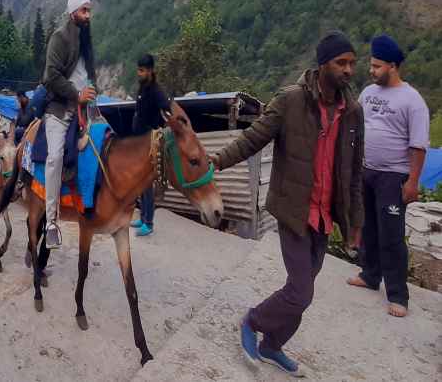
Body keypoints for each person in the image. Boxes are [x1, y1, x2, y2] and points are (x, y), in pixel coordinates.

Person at [209, 31, 364, 377]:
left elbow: (354, 173)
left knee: (302, 292)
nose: (349, 70)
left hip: (325, 217)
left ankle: (272, 345)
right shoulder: (290, 101)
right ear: (323, 64)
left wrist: (355, 224)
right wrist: (216, 161)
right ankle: (252, 320)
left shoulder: (352, 112)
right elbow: (253, 138)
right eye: (342, 63)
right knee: (301, 292)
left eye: (353, 63)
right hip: (294, 211)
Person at [346, 35, 429, 318]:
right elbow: (355, 127)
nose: (372, 70)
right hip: (367, 171)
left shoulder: (412, 100)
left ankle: (397, 295)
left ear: (393, 66)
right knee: (368, 226)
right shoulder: (368, 94)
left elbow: (418, 146)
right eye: (371, 65)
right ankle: (370, 275)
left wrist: (413, 182)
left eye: (377, 66)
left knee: (391, 235)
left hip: (393, 177)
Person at [42, 0, 97, 249]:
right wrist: (77, 95)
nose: (88, 15)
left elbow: (88, 77)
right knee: (54, 158)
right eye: (85, 10)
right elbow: (50, 77)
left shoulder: (86, 42)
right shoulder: (59, 38)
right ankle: (51, 221)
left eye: (89, 10)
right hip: (60, 113)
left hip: (84, 113)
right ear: (73, 11)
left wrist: (91, 96)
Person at [129, 54, 172, 237]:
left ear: (150, 71)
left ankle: (149, 222)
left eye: (142, 70)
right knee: (141, 181)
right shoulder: (143, 88)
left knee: (147, 182)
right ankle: (143, 216)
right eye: (138, 70)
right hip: (139, 141)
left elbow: (166, 107)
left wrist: (161, 128)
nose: (139, 73)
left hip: (149, 141)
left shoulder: (155, 90)